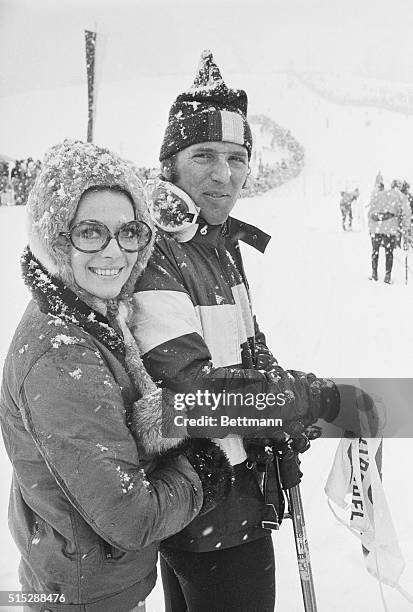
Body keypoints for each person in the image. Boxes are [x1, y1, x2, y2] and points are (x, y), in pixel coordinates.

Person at [131, 51, 375, 612]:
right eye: (205, 156)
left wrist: (279, 414)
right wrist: (317, 399)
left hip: (229, 496)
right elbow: (192, 401)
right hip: (204, 501)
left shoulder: (216, 242)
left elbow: (248, 349)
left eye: (237, 158)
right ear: (170, 163)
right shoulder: (159, 253)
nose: (224, 174)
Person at [0, 139, 232, 612]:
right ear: (54, 237)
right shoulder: (62, 356)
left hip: (84, 582)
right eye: (90, 231)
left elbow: (108, 427)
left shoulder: (93, 314)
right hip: (85, 598)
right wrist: (200, 476)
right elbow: (131, 516)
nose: (114, 251)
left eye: (129, 232)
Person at [367, 178, 411, 283]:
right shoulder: (400, 196)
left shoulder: (378, 194)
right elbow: (406, 213)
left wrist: (371, 227)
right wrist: (406, 228)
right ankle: (387, 276)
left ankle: (374, 273)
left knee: (375, 251)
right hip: (389, 228)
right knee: (389, 252)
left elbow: (370, 212)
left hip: (376, 228)